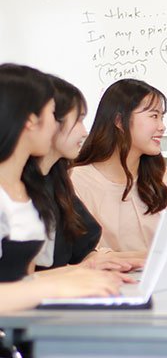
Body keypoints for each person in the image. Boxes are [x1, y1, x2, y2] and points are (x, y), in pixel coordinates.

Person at [0, 63, 120, 304]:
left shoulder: (24, 192)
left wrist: (77, 275)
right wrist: (56, 286)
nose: (57, 126)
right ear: (30, 120)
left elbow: (24, 278)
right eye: (53, 114)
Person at [33, 75, 143, 270]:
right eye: (78, 120)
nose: (84, 132)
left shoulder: (56, 180)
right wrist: (81, 270)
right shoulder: (15, 188)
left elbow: (84, 251)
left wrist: (151, 257)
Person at [72, 79, 167, 252]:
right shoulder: (77, 180)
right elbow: (84, 254)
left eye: (162, 117)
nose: (162, 127)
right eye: (154, 116)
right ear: (119, 121)